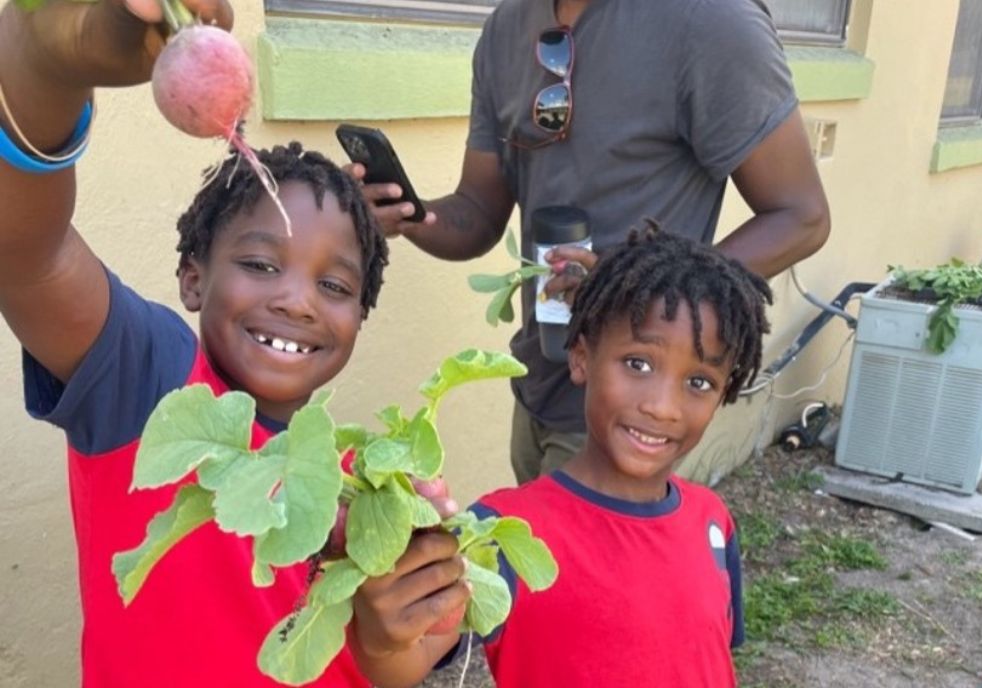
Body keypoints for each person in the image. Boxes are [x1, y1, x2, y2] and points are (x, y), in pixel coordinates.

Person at [0, 0, 438, 684]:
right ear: (194, 278)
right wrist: (39, 62)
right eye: (262, 265)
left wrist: (389, 633)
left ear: (361, 313)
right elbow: (29, 255)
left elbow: (394, 663)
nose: (296, 299)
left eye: (336, 286)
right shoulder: (149, 382)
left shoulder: (360, 476)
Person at [357, 0, 830, 484]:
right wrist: (413, 217)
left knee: (583, 559)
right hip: (538, 382)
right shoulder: (506, 28)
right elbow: (478, 210)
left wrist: (628, 290)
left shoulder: (711, 22)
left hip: (631, 410)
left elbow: (801, 217)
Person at [349, 225, 772, 688]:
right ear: (581, 358)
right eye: (638, 363)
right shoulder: (504, 530)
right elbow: (400, 665)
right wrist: (382, 634)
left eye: (699, 383)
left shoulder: (713, 520)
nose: (662, 407)